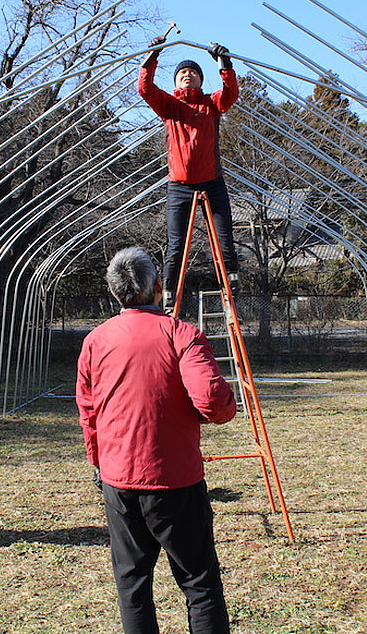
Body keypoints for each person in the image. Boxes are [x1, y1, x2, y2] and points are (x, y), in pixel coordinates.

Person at [76, 247, 237, 634]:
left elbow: (88, 411)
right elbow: (213, 403)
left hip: (118, 478)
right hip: (175, 479)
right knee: (199, 582)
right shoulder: (181, 335)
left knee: (132, 584)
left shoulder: (96, 341)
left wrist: (99, 463)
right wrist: (226, 406)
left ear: (115, 292)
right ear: (158, 288)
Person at [138, 36, 240, 310]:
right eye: (183, 73)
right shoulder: (170, 105)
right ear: (176, 81)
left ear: (200, 80)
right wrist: (152, 55)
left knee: (224, 241)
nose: (187, 75)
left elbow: (230, 94)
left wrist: (225, 65)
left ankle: (232, 294)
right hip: (180, 185)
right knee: (176, 246)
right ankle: (169, 296)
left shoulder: (211, 104)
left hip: (212, 181)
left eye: (193, 73)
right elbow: (145, 89)